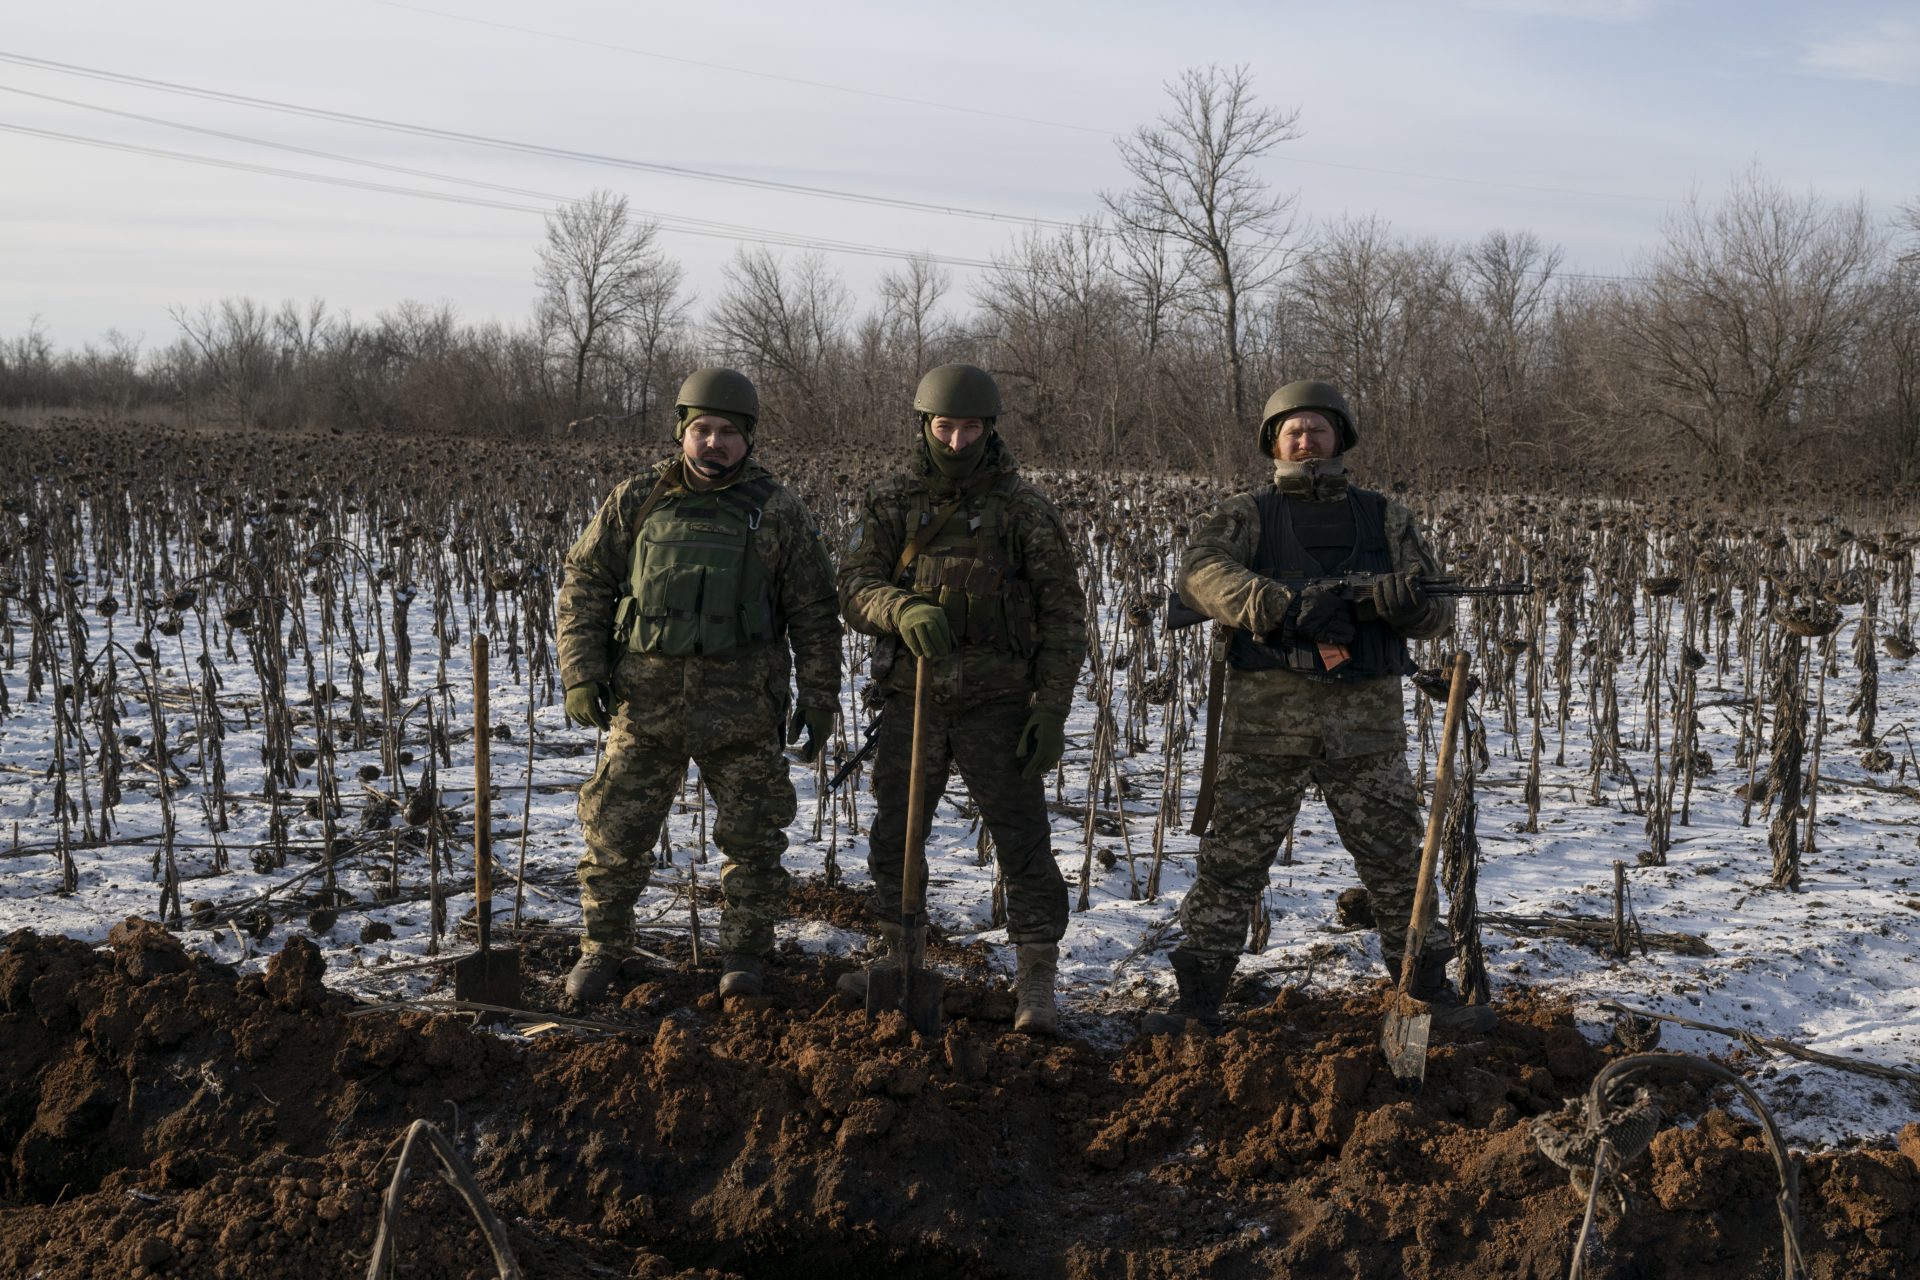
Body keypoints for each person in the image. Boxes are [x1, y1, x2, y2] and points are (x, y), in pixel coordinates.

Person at [1143, 379, 1495, 1035]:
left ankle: (1424, 989)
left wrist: (1404, 603)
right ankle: (1196, 999)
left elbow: (1437, 613)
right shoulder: (1245, 515)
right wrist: (1280, 607)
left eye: (1318, 429)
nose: (1306, 440)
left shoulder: (1385, 518)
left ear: (1340, 437)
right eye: (1293, 430)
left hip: (1366, 728)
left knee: (1396, 865)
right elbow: (1198, 575)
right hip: (1263, 726)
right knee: (1230, 868)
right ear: (1274, 441)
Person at [555, 367, 841, 1003]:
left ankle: (744, 953)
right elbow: (585, 584)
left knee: (754, 838)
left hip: (743, 711)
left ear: (748, 438)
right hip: (643, 706)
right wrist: (581, 672)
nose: (714, 443)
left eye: (728, 433)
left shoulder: (779, 511)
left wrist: (821, 699)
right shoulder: (637, 500)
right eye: (702, 430)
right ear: (683, 432)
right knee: (614, 834)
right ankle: (603, 946)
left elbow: (816, 613)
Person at [837, 363, 1087, 1035]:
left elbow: (1064, 617)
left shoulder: (1024, 509)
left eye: (969, 428)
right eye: (944, 427)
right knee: (898, 832)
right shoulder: (891, 501)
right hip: (909, 700)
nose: (955, 442)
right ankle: (898, 953)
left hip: (997, 705)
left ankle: (1036, 973)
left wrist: (1050, 710)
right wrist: (898, 608)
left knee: (1023, 840)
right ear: (924, 426)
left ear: (990, 429)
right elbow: (855, 585)